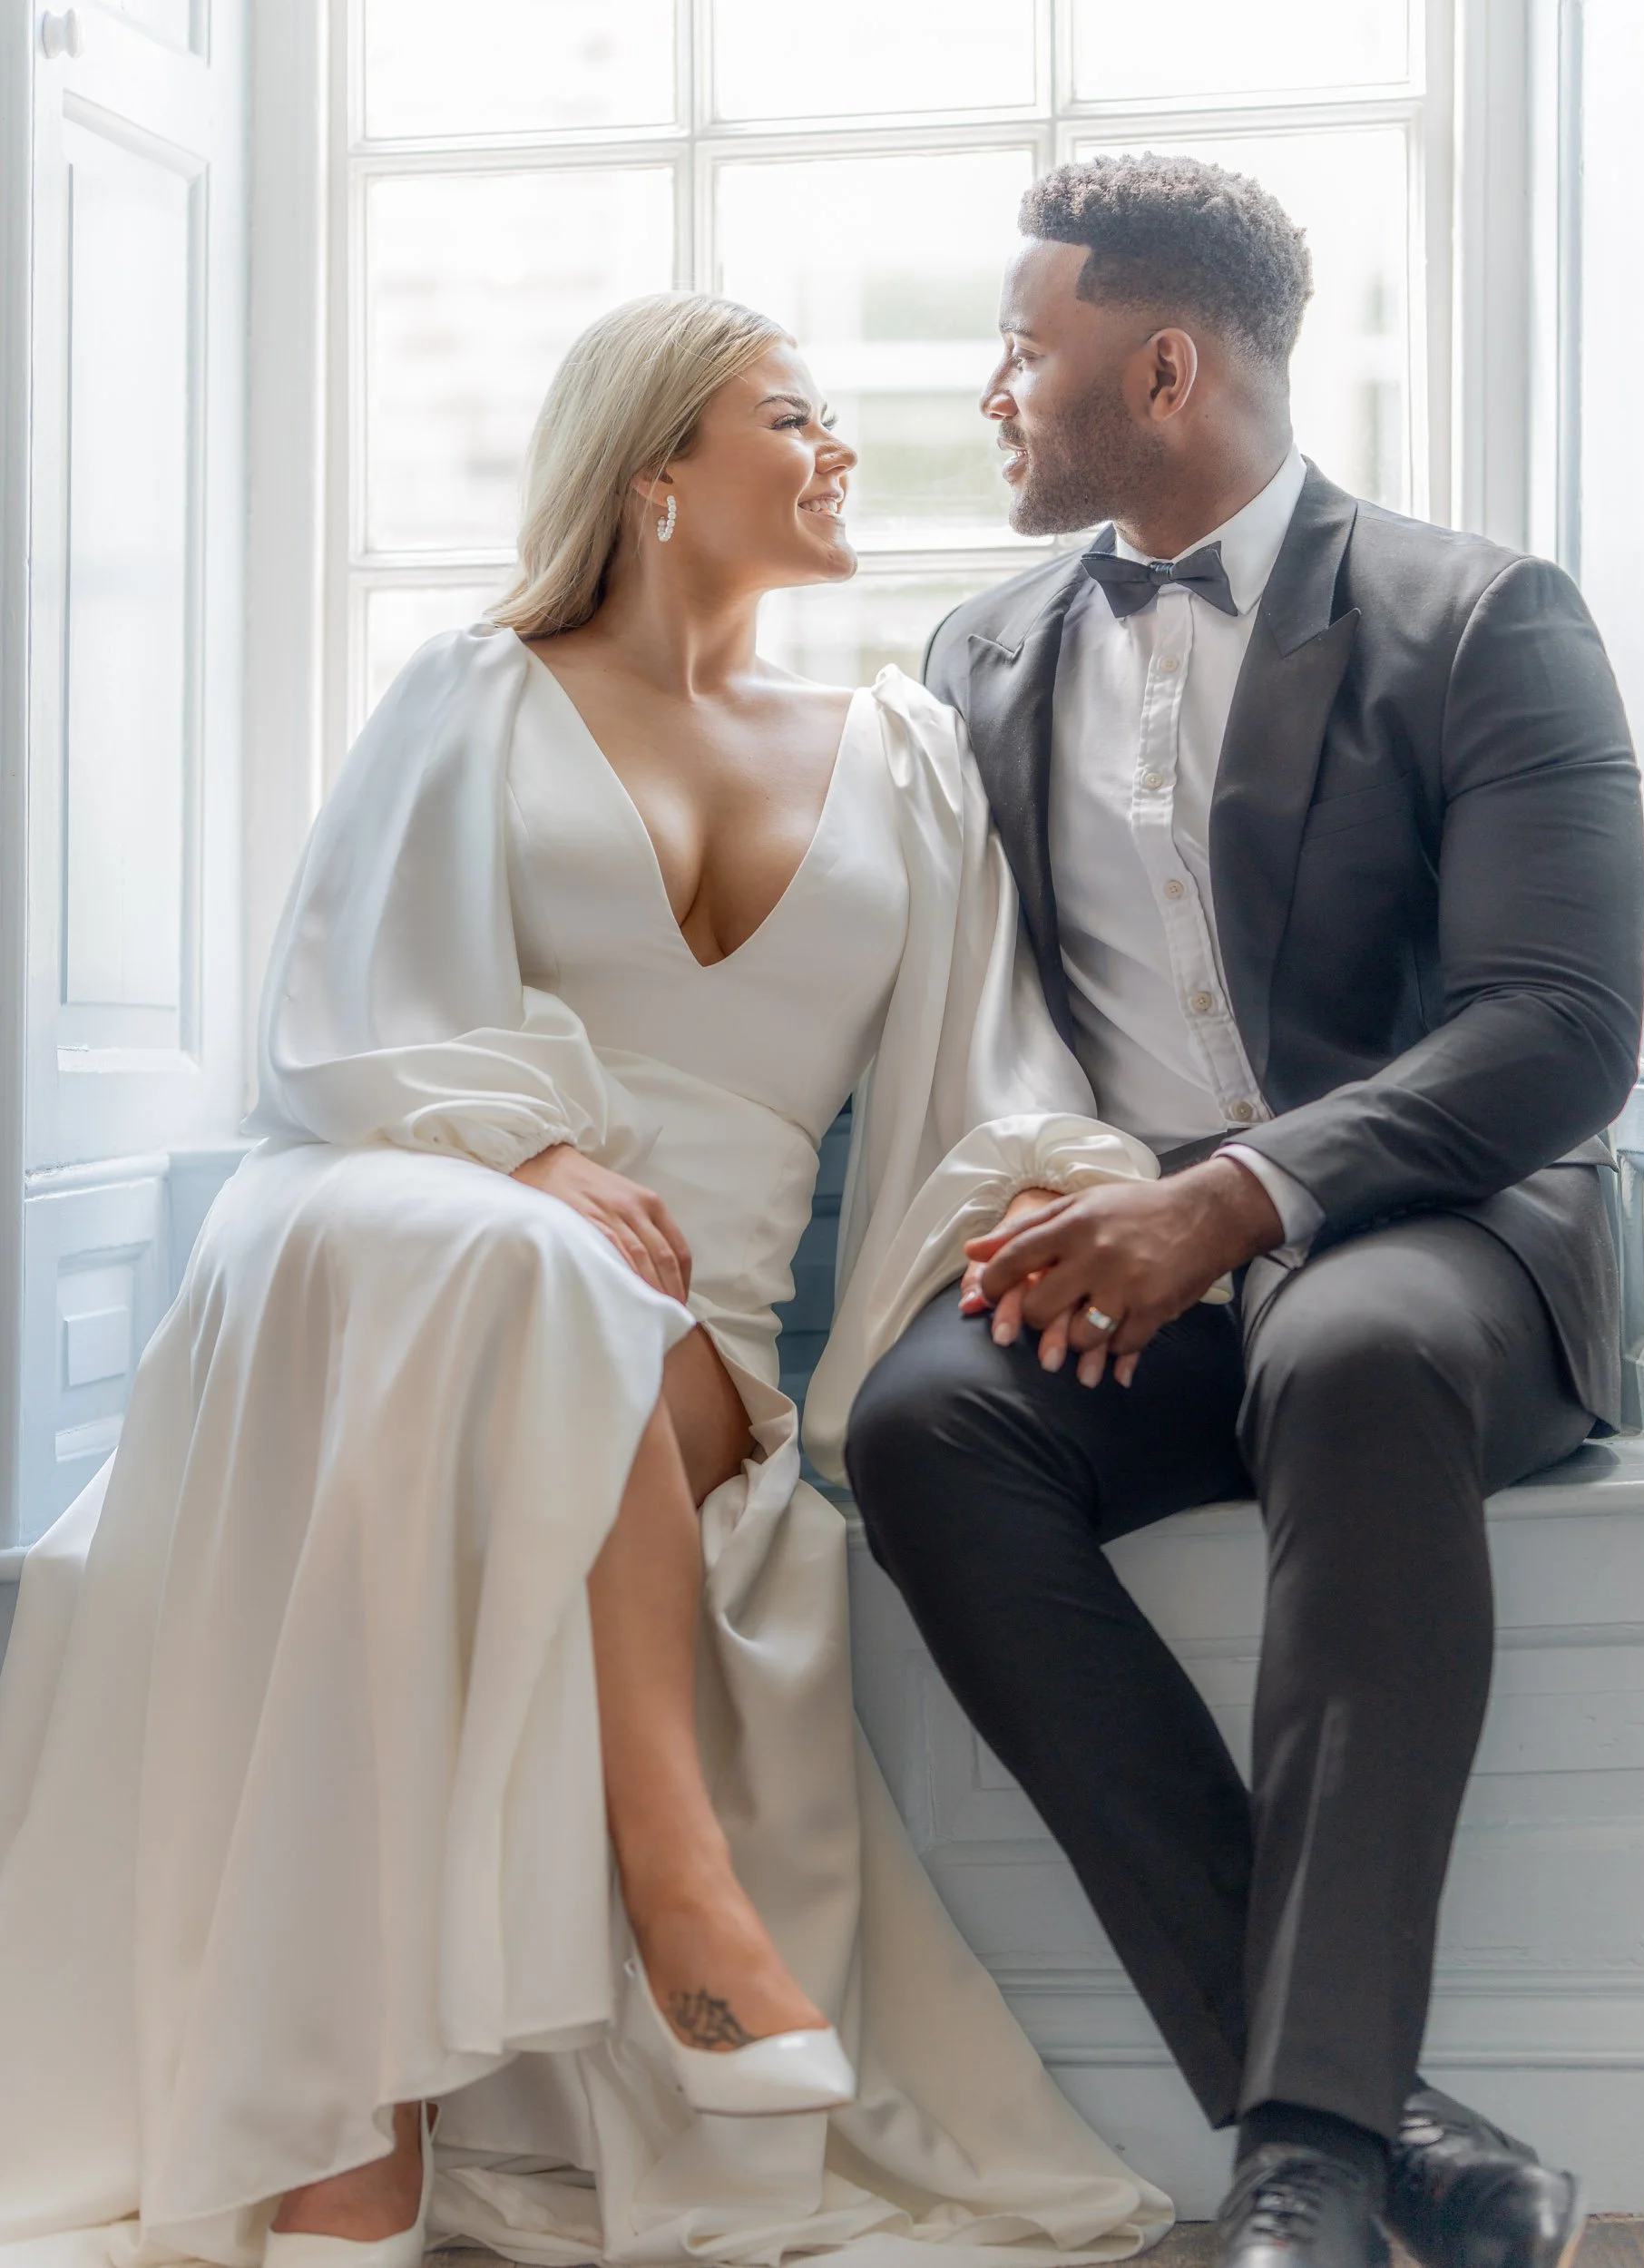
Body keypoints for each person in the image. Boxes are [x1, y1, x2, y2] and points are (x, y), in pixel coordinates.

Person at [0, 293, 1178, 2268]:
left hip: (681, 1319)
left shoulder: (900, 750)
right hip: (388, 1219)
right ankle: (666, 1888)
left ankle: (367, 2112)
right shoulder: (472, 692)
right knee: (524, 1273)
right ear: (654, 477)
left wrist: (1094, 1211)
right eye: (788, 415)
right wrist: (521, 1151)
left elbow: (990, 1075)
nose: (835, 450)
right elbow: (339, 1018)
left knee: (576, 1320)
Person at [839, 154, 1644, 2268]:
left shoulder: (1482, 615)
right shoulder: (981, 648)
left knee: (1351, 1345)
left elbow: (1556, 1027)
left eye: (1026, 347)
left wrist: (1247, 1194)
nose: (994, 389)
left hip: (1448, 1231)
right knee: (929, 1421)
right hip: (1149, 1250)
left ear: (1166, 365)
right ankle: (1412, 2140)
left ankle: (1298, 2159)